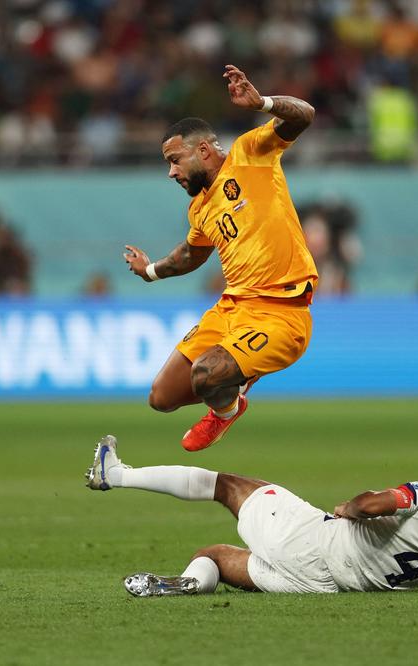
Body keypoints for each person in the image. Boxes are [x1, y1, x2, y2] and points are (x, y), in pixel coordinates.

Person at [123, 64, 318, 451]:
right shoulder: (199, 208)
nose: (171, 172)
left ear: (204, 149)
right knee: (161, 397)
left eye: (175, 160)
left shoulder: (250, 155)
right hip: (232, 308)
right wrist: (150, 271)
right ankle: (232, 385)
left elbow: (305, 114)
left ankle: (226, 410)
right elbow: (190, 255)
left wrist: (262, 102)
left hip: (281, 313)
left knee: (208, 374)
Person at [85, 436, 418, 596]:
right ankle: (188, 582)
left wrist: (350, 508)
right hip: (321, 586)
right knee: (216, 557)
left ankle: (116, 474)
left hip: (312, 542)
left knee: (226, 486)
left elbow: (377, 504)